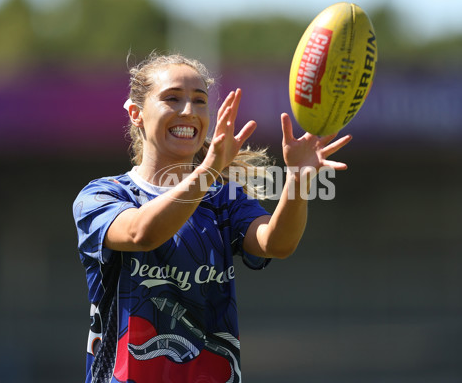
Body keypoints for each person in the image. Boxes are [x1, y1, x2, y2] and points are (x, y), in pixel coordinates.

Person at [72, 52, 352, 383]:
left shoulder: (223, 199)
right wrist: (208, 171)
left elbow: (277, 243)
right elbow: (140, 233)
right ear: (136, 114)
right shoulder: (102, 196)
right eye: (172, 98)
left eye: (199, 101)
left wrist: (297, 181)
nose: (188, 111)